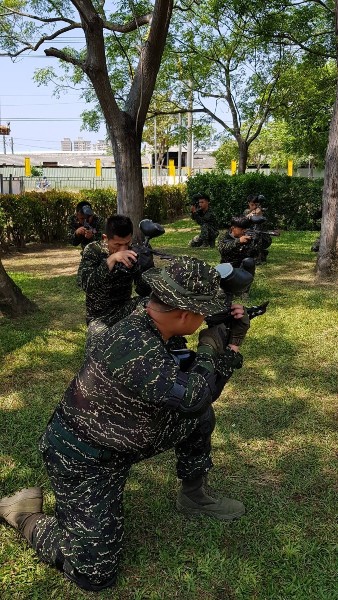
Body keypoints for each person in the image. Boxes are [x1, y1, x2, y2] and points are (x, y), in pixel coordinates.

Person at [0, 256, 250, 592]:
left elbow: (197, 399)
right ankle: (22, 514)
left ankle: (194, 496)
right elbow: (194, 394)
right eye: (203, 313)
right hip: (83, 459)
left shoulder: (150, 312)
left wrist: (226, 335)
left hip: (126, 437)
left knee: (198, 418)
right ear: (185, 315)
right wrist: (217, 346)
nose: (206, 318)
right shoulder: (135, 346)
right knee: (94, 572)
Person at [77, 214, 154, 350]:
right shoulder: (94, 250)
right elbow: (86, 284)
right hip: (99, 317)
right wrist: (111, 260)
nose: (123, 249)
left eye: (127, 243)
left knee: (154, 305)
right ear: (105, 238)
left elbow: (144, 291)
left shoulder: (132, 252)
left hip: (125, 309)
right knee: (98, 351)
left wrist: (146, 269)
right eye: (117, 245)